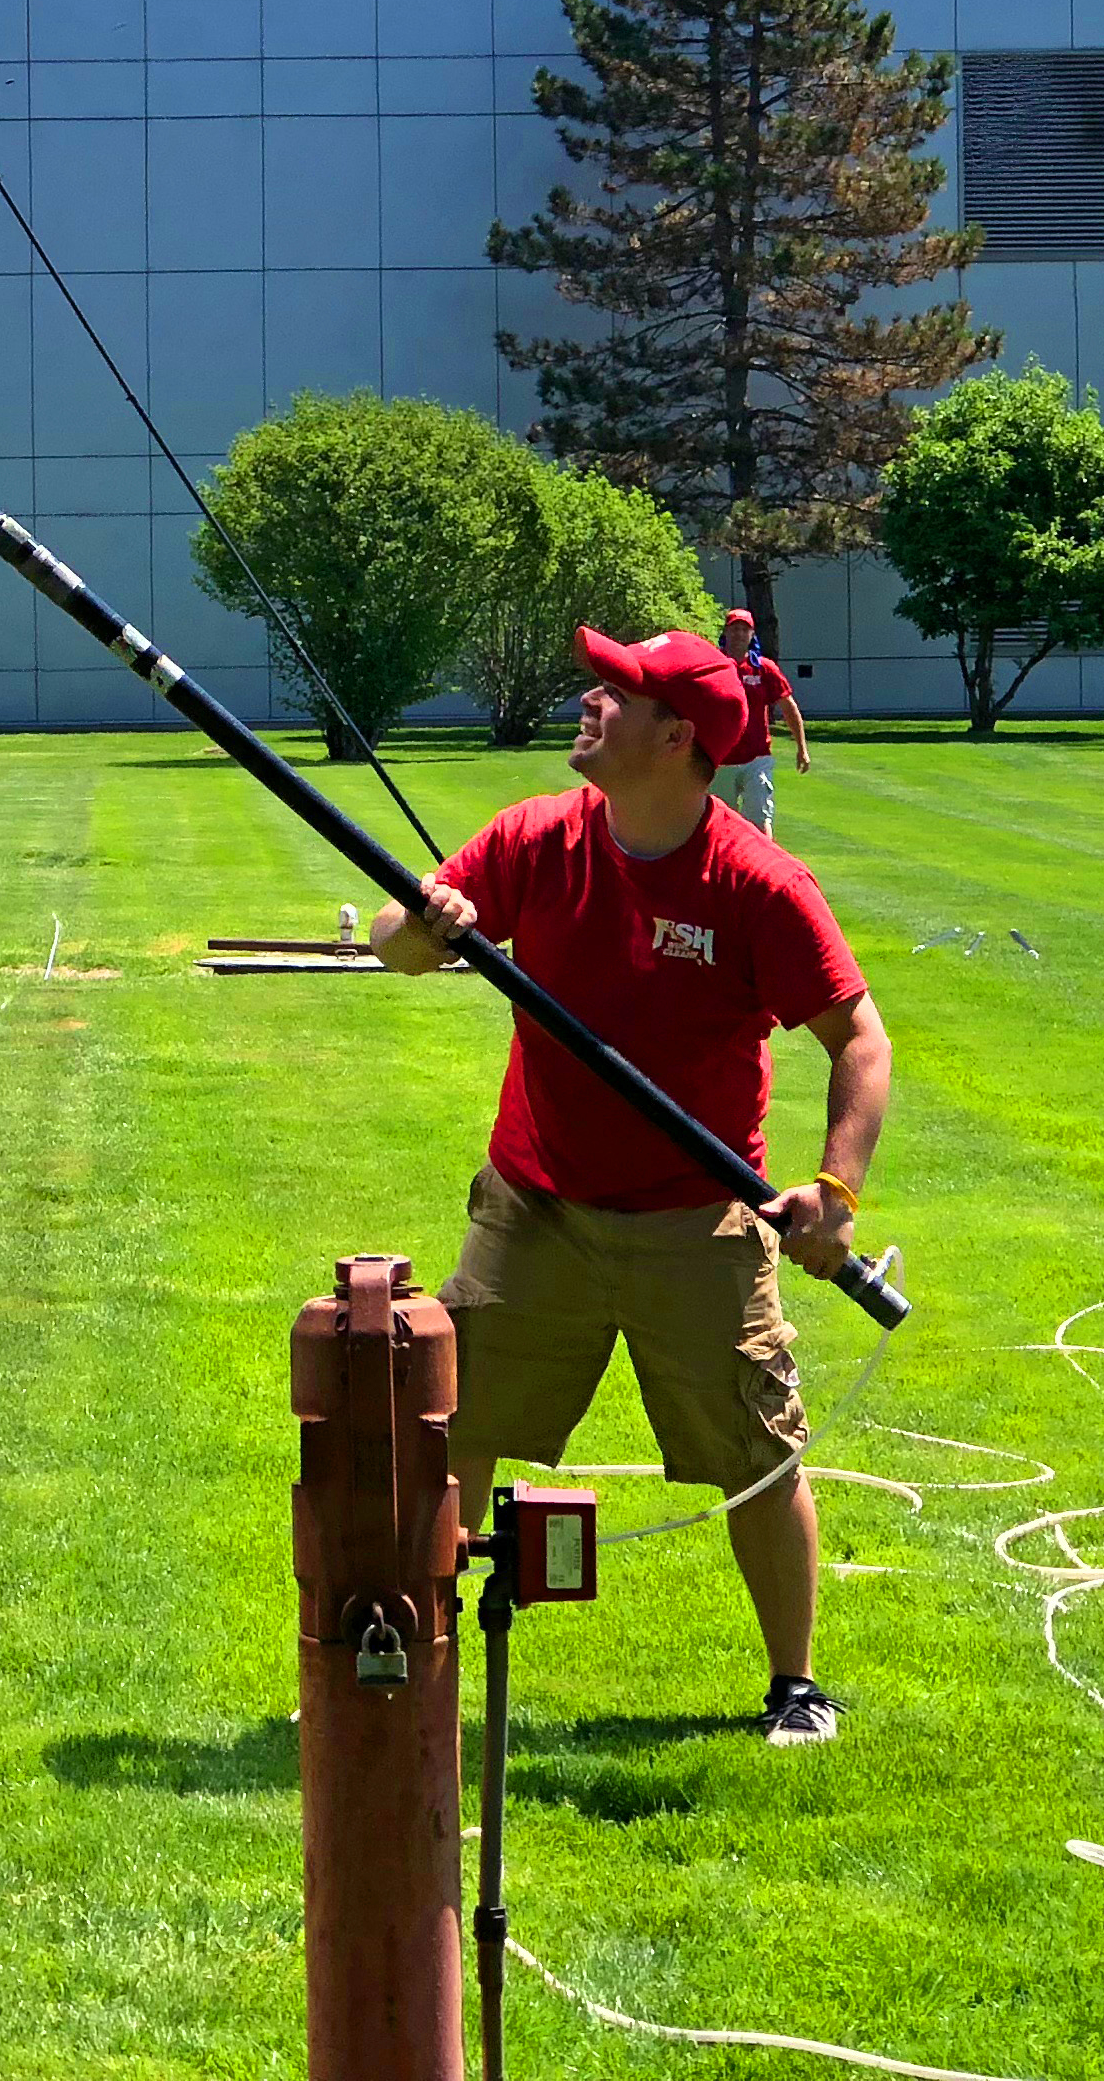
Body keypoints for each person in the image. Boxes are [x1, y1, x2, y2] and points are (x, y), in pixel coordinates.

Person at [372, 625, 890, 1747]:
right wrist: (424, 924)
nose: (588, 700)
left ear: (677, 738)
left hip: (694, 1221)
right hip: (533, 1203)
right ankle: (415, 1654)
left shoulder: (755, 884)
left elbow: (858, 1038)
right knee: (450, 1424)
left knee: (754, 1453)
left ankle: (792, 1687)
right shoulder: (535, 837)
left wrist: (832, 1193)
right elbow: (390, 946)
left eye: (617, 693)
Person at [712, 605, 810, 838]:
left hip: (757, 757)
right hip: (721, 758)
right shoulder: (713, 666)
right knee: (720, 824)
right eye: (734, 629)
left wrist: (801, 748)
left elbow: (789, 707)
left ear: (752, 635)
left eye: (744, 630)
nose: (738, 634)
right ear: (726, 632)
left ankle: (762, 872)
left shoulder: (763, 669)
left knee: (760, 819)